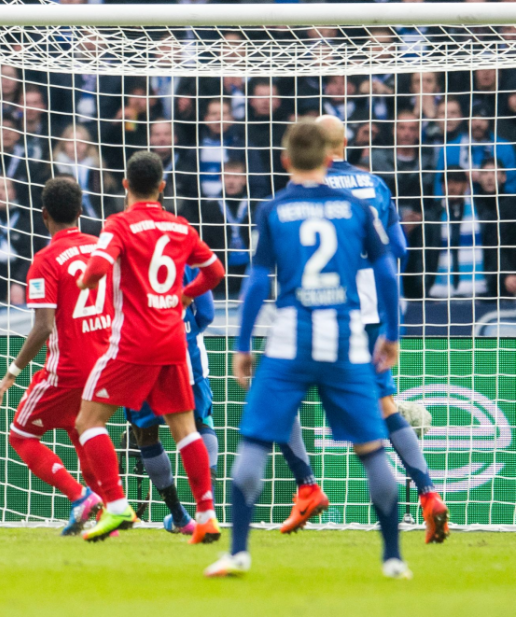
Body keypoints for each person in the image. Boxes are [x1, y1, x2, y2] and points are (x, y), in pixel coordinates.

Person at [207, 120, 408, 579]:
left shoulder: (275, 209)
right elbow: (388, 272)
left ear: (285, 160)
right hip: (345, 335)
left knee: (255, 439)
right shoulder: (356, 207)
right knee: (372, 448)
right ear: (328, 157)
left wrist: (242, 343)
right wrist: (392, 333)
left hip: (290, 336)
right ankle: (393, 558)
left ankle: (238, 550)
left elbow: (256, 281)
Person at [262, 115, 449, 541]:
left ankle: (307, 486)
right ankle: (428, 494)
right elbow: (399, 248)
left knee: (283, 398)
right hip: (371, 310)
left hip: (323, 309)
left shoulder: (305, 192)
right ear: (346, 143)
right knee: (383, 406)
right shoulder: (375, 185)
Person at [73, 150, 226, 542]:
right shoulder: (181, 228)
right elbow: (215, 272)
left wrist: (84, 283)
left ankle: (117, 505)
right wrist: (185, 296)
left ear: (125, 185)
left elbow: (97, 267)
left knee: (88, 421)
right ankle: (206, 514)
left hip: (134, 343)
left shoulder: (119, 225)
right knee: (186, 429)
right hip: (173, 340)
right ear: (162, 187)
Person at [0, 177, 107, 536]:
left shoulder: (45, 260)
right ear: (81, 211)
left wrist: (11, 372)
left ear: (44, 216)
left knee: (20, 436)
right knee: (82, 431)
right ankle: (108, 516)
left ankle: (79, 497)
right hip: (104, 363)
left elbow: (43, 326)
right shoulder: (100, 248)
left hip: (68, 367)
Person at [123, 263, 217, 536]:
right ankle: (207, 510)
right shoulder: (184, 250)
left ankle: (179, 515)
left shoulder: (128, 251)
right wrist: (188, 329)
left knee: (145, 434)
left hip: (140, 352)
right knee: (199, 423)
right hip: (186, 352)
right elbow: (207, 313)